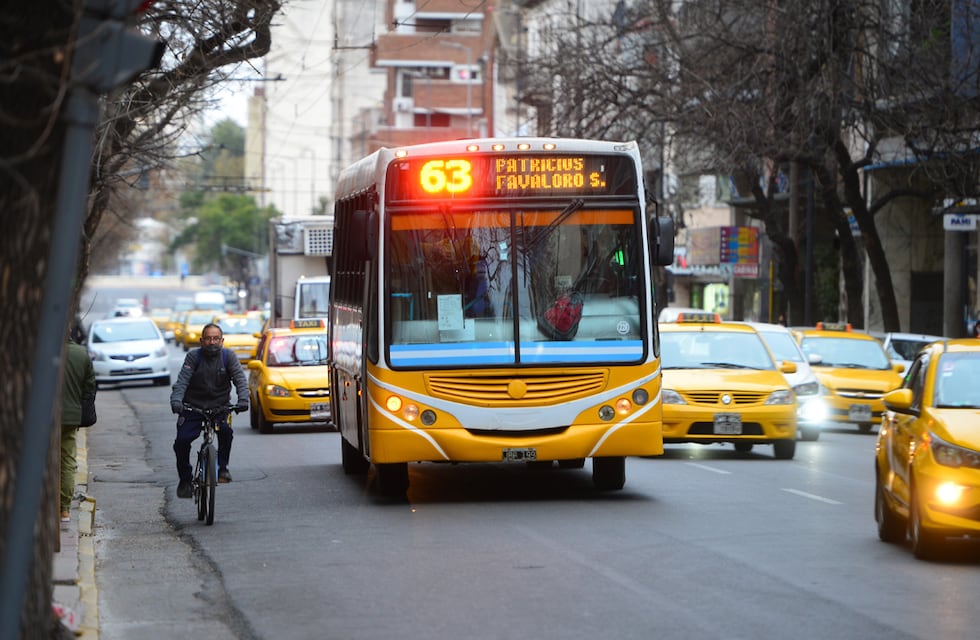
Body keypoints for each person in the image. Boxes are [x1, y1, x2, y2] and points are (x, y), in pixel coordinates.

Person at [170, 323, 248, 498]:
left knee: (226, 432)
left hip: (220, 407)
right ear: (201, 340)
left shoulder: (229, 357)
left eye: (215, 338)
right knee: (181, 442)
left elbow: (240, 380)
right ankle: (185, 479)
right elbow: (182, 381)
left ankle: (222, 468)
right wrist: (176, 401)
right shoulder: (193, 357)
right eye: (208, 338)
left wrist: (243, 399)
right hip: (193, 407)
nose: (212, 342)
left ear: (221, 340)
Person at [60, 328, 96, 522]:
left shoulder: (39, 351)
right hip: (70, 417)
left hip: (43, 419)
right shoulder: (81, 354)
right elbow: (89, 387)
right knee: (67, 462)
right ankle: (64, 510)